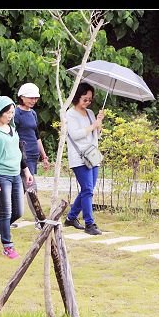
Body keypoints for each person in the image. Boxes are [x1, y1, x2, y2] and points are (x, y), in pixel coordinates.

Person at [0, 96, 34, 259]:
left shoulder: (12, 129)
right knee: (5, 212)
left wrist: (26, 170)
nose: (11, 116)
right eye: (8, 113)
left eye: (12, 113)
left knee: (18, 211)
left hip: (15, 175)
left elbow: (18, 152)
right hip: (1, 176)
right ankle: (8, 246)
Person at [63, 82, 104, 235]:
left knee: (88, 189)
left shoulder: (90, 113)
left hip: (92, 155)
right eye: (85, 99)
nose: (87, 102)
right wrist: (94, 126)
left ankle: (71, 217)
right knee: (87, 189)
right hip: (79, 156)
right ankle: (89, 223)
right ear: (77, 97)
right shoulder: (69, 114)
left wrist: (99, 123)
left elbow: (96, 135)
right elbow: (75, 134)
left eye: (90, 100)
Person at [14, 82, 50, 223]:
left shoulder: (33, 113)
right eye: (31, 98)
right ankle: (39, 220)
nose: (33, 101)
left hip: (33, 155)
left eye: (35, 98)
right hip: (23, 155)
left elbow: (37, 136)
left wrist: (44, 156)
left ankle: (10, 216)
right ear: (22, 97)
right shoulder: (16, 113)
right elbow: (12, 136)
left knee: (22, 188)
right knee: (31, 187)